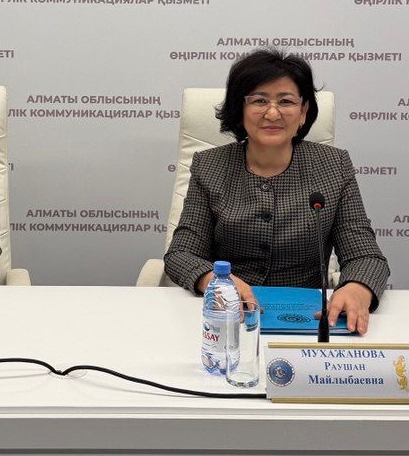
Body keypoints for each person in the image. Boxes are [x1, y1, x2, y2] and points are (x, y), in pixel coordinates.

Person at [163, 48, 390, 334]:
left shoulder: (334, 165)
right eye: (259, 101)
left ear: (303, 112)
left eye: (286, 101)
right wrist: (213, 281)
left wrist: (358, 287)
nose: (272, 113)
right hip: (227, 318)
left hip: (307, 321)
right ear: (240, 109)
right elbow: (181, 253)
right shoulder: (210, 166)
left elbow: (365, 256)